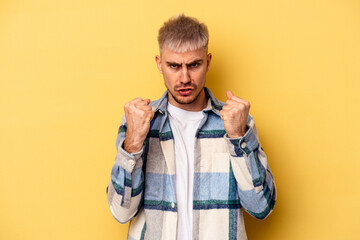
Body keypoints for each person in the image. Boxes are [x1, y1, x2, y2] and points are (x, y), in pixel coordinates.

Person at [106, 14, 276, 240]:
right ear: (159, 64)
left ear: (208, 62)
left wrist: (237, 136)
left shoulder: (237, 122)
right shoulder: (137, 123)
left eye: (194, 64)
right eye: (174, 66)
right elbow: (120, 211)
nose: (184, 78)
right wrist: (134, 142)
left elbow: (262, 207)